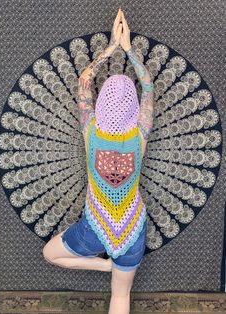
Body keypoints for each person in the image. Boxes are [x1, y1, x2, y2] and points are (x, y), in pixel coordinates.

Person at [43, 7, 154, 314]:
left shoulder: (90, 131)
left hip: (95, 226)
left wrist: (110, 49)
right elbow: (148, 88)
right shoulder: (140, 136)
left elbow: (83, 81)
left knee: (50, 254)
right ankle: (114, 269)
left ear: (101, 102)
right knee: (121, 298)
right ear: (132, 109)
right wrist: (130, 51)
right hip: (133, 227)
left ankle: (103, 267)